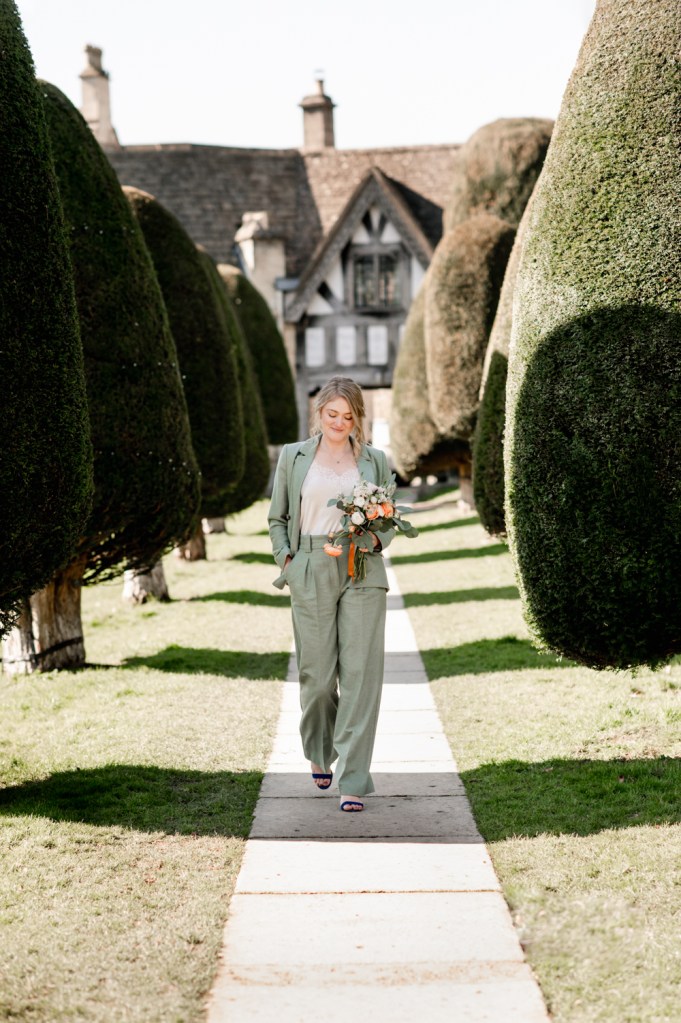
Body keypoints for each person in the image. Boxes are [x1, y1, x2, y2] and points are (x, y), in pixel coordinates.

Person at [268, 376, 395, 812]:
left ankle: (354, 778)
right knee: (318, 678)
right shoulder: (293, 456)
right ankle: (321, 750)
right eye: (332, 414)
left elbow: (387, 518)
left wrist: (375, 543)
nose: (340, 423)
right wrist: (287, 560)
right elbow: (277, 517)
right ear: (318, 414)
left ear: (358, 418)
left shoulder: (375, 460)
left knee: (361, 676)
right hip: (310, 567)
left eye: (348, 416)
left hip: (362, 568)